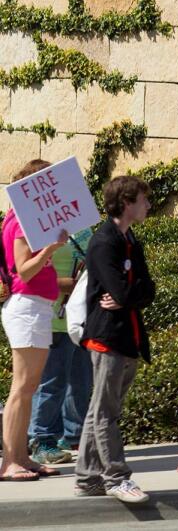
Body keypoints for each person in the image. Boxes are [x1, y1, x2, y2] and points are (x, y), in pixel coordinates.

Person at [75, 176, 155, 503]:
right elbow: (120, 290)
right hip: (107, 337)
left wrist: (130, 295)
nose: (148, 204)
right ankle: (116, 478)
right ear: (126, 203)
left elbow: (147, 289)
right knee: (107, 411)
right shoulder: (103, 242)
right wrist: (130, 293)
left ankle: (87, 477)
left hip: (128, 336)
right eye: (143, 199)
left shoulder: (130, 240)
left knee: (100, 410)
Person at [1, 159, 69, 482]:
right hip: (27, 307)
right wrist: (50, 250)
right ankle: (9, 461)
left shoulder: (24, 222)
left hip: (36, 308)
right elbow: (22, 270)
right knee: (21, 387)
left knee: (28, 387)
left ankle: (21, 457)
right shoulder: (22, 224)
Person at [28, 227, 93, 466]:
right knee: (51, 383)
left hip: (79, 319)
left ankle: (73, 435)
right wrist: (63, 284)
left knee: (80, 380)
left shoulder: (83, 227)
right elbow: (25, 274)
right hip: (52, 317)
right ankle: (42, 439)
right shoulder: (37, 230)